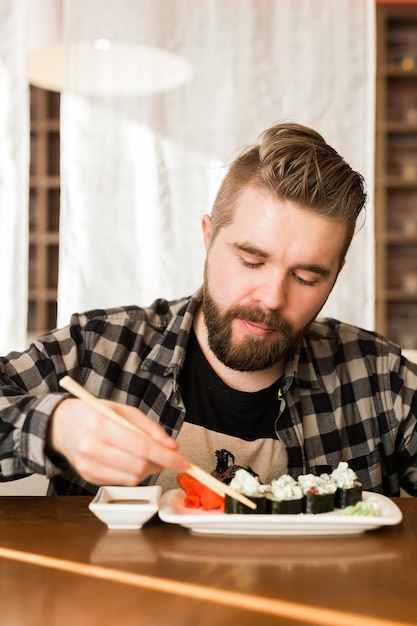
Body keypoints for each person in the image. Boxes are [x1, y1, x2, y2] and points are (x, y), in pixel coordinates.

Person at [1, 122, 417, 497]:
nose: (272, 297)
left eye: (307, 277)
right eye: (251, 261)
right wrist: (55, 424)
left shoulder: (379, 378)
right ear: (208, 237)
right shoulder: (98, 350)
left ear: (336, 273)